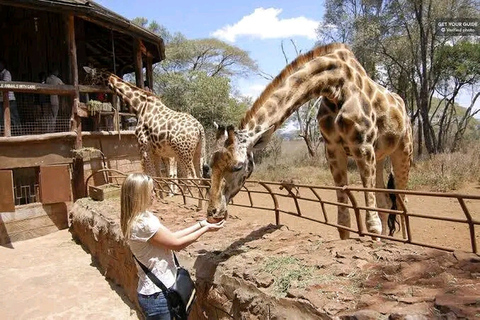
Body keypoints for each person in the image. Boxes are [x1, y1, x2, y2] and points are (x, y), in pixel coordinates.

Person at [120, 173, 224, 319]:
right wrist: (205, 229)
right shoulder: (143, 224)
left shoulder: (142, 218)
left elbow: (172, 237)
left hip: (161, 292)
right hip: (158, 296)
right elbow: (177, 244)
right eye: (151, 191)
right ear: (140, 195)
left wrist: (201, 224)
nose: (154, 194)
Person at [0, 60, 21, 132]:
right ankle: (4, 132)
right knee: (2, 117)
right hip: (1, 99)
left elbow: (5, 83)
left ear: (3, 65)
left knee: (14, 117)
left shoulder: (6, 73)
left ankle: (19, 132)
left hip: (10, 99)